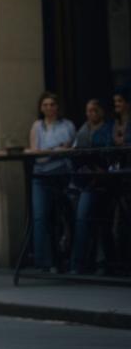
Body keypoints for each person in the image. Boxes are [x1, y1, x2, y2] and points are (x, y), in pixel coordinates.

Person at [25, 92, 75, 271]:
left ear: (57, 107)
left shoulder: (67, 125)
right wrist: (56, 150)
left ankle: (68, 260)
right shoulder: (37, 126)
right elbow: (37, 156)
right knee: (40, 218)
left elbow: (69, 149)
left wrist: (48, 152)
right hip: (41, 177)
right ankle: (44, 262)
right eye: (45, 104)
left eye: (52, 104)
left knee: (65, 218)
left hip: (63, 176)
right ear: (41, 108)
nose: (49, 108)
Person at [70, 98, 113, 274]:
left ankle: (94, 263)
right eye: (88, 111)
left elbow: (109, 153)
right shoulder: (83, 130)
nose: (91, 114)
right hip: (84, 181)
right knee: (84, 219)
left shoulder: (108, 129)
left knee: (99, 222)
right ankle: (83, 263)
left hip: (102, 181)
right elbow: (76, 154)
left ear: (101, 111)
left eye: (94, 110)